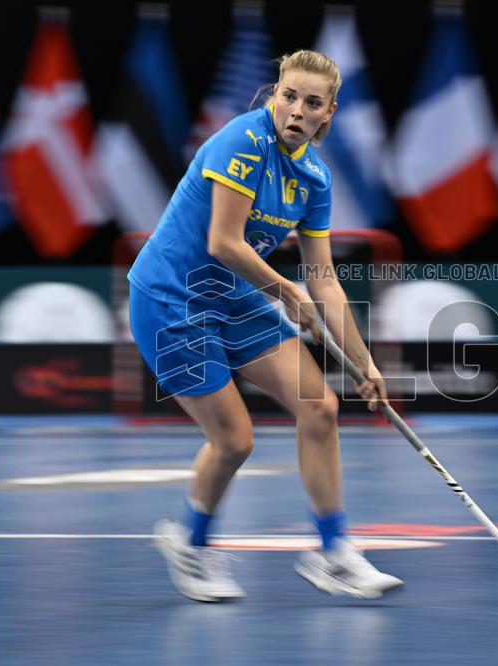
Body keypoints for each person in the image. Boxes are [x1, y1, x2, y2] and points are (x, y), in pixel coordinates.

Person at [127, 49, 403, 602]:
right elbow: (223, 243)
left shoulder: (314, 178)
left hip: (233, 297)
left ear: (329, 112)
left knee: (321, 407)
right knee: (233, 439)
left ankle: (335, 555)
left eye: (313, 102)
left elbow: (323, 279)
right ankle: (191, 544)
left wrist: (364, 361)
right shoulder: (243, 141)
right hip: (170, 299)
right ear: (274, 95)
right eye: (289, 96)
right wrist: (284, 290)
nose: (297, 110)